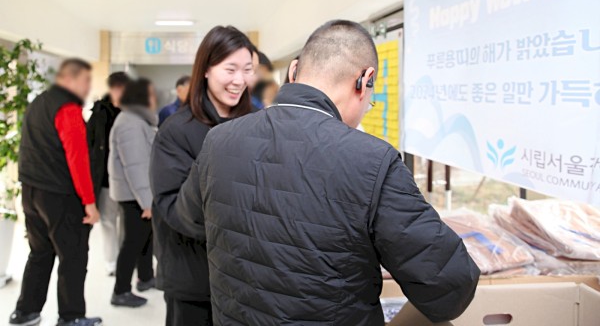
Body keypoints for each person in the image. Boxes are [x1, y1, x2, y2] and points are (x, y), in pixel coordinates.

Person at [174, 20, 480, 325]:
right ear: (365, 80)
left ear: (294, 71)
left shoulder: (217, 141)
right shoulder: (372, 160)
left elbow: (190, 217)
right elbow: (450, 285)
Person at [149, 25, 254, 326]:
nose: (239, 80)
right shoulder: (175, 131)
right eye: (230, 69)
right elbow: (173, 210)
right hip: (193, 279)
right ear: (206, 69)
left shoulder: (255, 125)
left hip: (245, 279)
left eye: (247, 70)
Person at [11, 59, 102, 326]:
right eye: (85, 80)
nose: (87, 87)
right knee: (73, 257)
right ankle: (71, 317)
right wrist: (89, 202)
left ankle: (25, 312)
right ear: (69, 79)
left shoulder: (38, 102)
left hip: (31, 191)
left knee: (39, 252)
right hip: (59, 195)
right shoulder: (67, 108)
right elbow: (78, 159)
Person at [108, 79, 158, 308]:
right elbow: (135, 166)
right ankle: (120, 291)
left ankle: (145, 278)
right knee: (132, 243)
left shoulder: (136, 119)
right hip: (133, 195)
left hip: (136, 193)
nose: (154, 98)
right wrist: (147, 202)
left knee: (145, 238)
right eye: (151, 94)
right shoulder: (130, 123)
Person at [87, 71, 130, 276]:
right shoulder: (99, 112)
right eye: (117, 88)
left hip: (127, 178)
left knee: (126, 221)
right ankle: (111, 261)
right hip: (104, 177)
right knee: (107, 220)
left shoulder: (134, 111)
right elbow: (90, 144)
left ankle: (124, 258)